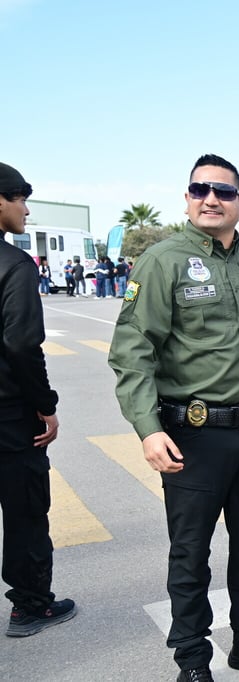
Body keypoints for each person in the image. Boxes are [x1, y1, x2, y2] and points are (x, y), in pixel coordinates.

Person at [108, 154, 239, 682]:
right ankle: (193, 663)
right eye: (200, 189)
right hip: (191, 437)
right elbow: (133, 351)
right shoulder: (162, 261)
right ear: (187, 198)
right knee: (191, 555)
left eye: (223, 192)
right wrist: (148, 429)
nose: (211, 199)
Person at [0, 161, 75, 637]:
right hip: (9, 415)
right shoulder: (14, 265)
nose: (26, 209)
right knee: (26, 512)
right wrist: (45, 405)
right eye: (20, 198)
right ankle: (30, 603)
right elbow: (22, 344)